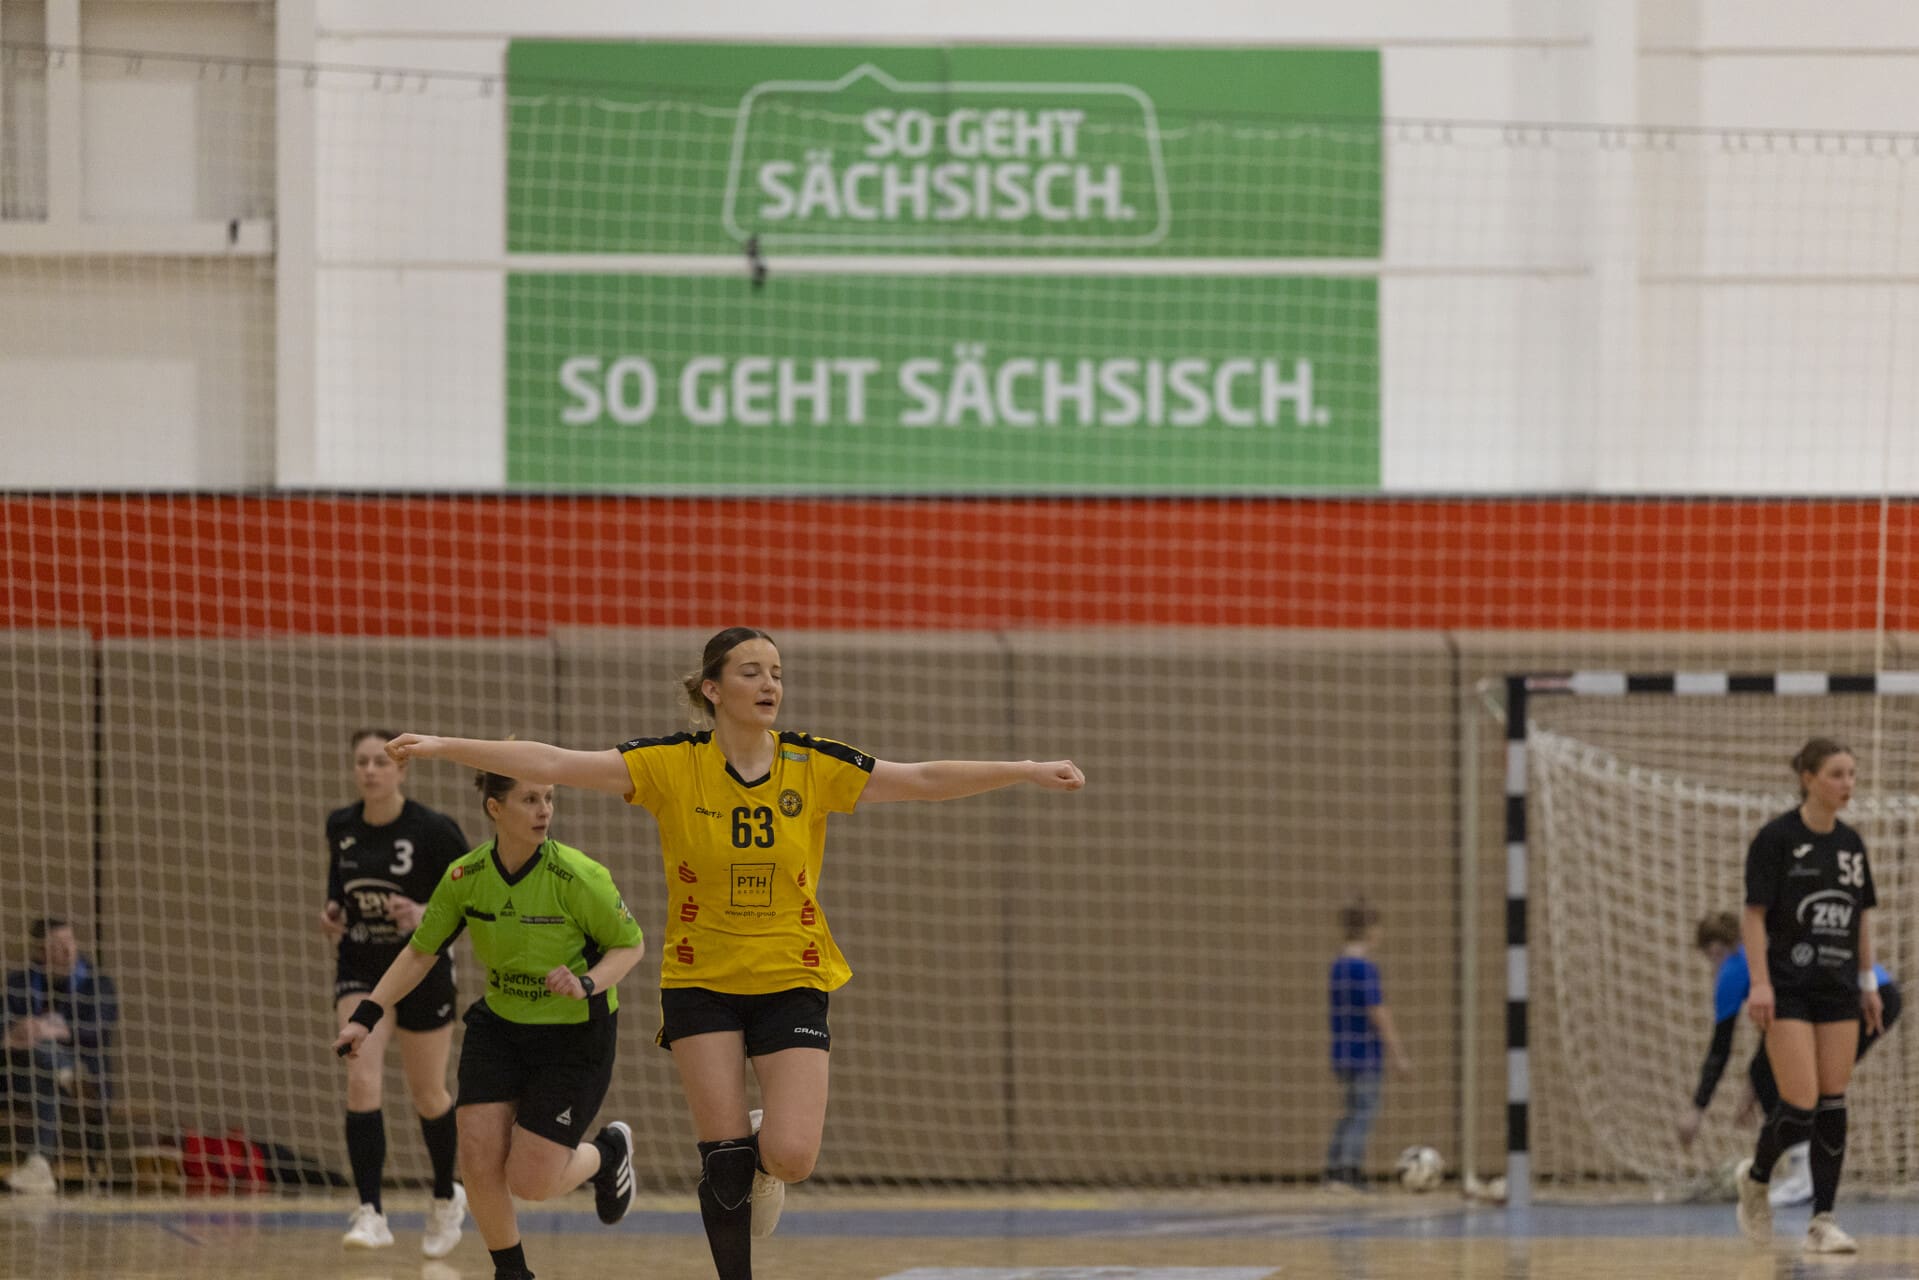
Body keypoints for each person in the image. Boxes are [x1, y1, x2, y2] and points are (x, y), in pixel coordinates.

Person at [384, 625, 1086, 1280]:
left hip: (791, 975)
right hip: (701, 980)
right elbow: (553, 762)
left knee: (791, 1154)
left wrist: (1023, 769)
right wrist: (444, 746)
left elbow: (922, 779)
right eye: (751, 671)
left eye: (776, 671)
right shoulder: (672, 765)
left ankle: (766, 1159)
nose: (769, 683)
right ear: (712, 690)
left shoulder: (811, 763)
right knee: (721, 1161)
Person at [333, 767, 645, 1280]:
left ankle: (608, 1153)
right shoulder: (466, 877)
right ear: (495, 808)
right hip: (499, 1028)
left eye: (549, 798)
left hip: (574, 1034)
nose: (544, 810)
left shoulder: (579, 876)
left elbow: (630, 945)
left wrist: (588, 983)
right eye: (530, 799)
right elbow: (421, 952)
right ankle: (512, 1273)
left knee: (531, 1181)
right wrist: (365, 1017)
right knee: (477, 1154)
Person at [320, 728, 472, 1254]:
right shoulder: (341, 825)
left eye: (380, 762)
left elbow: (472, 898)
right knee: (361, 1081)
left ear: (401, 769)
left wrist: (424, 912)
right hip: (361, 965)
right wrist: (333, 912)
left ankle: (446, 1195)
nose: (369, 770)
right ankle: (371, 1212)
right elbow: (339, 887)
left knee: (428, 1093)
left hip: (422, 968)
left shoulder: (434, 829)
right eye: (361, 761)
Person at [1732, 738, 1882, 1254]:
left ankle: (1823, 1220)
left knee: (1833, 1100)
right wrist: (1760, 983)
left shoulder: (1851, 844)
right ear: (1809, 779)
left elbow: (1861, 917)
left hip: (1838, 986)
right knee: (1800, 1102)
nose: (1848, 784)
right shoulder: (1776, 838)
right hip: (1788, 986)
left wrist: (1868, 983)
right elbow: (1754, 916)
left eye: (1852, 774)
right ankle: (1756, 1179)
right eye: (1838, 774)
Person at [1679, 910, 1901, 1209]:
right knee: (1784, 1076)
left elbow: (1721, 1047)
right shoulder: (1768, 953)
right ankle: (1809, 1174)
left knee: (1792, 1081)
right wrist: (1753, 1083)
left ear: (1716, 949)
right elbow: (1775, 1041)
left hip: (1860, 999)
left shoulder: (1734, 967)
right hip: (1881, 993)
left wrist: (1697, 1108)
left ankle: (1805, 1176)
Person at [3, 917, 119, 1195]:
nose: (68, 950)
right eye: (58, 945)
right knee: (39, 1057)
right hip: (18, 1077)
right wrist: (16, 1032)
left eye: (70, 942)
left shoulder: (97, 983)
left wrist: (50, 1029)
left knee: (44, 1075)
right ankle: (68, 1074)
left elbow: (97, 1027)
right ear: (40, 952)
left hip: (88, 1083)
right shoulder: (18, 982)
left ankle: (39, 1165)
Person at [1323, 900, 1412, 1190]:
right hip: (1364, 1054)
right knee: (1363, 1111)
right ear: (1370, 930)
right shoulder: (1364, 968)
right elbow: (1378, 1012)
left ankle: (1334, 1168)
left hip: (1341, 1052)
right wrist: (1398, 1054)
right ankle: (1348, 1170)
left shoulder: (1338, 966)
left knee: (1350, 1111)